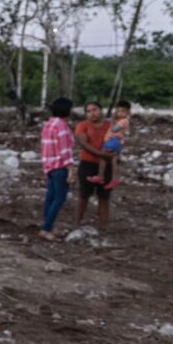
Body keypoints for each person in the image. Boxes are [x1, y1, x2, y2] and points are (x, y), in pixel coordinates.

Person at [39, 97, 76, 242]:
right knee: (59, 198)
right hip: (60, 166)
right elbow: (64, 150)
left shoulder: (48, 124)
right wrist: (71, 169)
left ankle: (48, 225)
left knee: (51, 197)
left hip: (49, 166)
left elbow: (46, 146)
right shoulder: (62, 126)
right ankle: (46, 228)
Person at [74, 101, 113, 230]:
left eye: (95, 109)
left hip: (107, 166)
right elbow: (83, 143)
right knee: (83, 195)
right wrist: (101, 154)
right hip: (87, 164)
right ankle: (77, 222)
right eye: (89, 111)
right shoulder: (83, 125)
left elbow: (115, 143)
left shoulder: (110, 126)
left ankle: (104, 226)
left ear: (101, 110)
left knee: (104, 196)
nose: (92, 113)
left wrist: (109, 155)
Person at [87, 100, 131, 190]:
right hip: (118, 142)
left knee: (102, 156)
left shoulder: (123, 121)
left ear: (128, 112)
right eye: (118, 111)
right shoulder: (124, 120)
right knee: (113, 160)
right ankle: (115, 178)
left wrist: (113, 119)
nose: (119, 113)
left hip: (113, 141)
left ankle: (100, 176)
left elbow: (115, 129)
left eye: (122, 111)